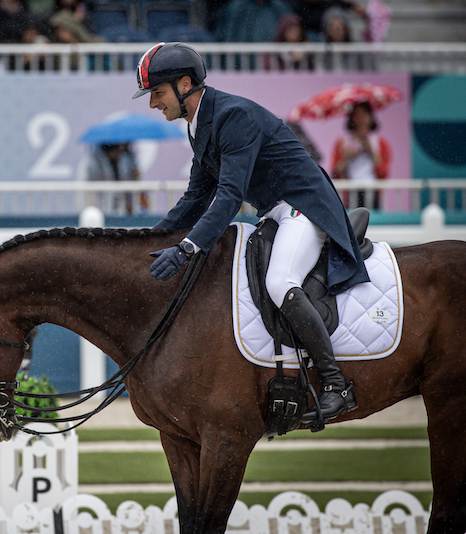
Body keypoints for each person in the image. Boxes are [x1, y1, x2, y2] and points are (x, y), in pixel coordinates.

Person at [133, 42, 367, 424]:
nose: (152, 103)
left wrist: (188, 247)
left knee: (279, 282)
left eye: (156, 93)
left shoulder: (234, 116)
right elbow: (195, 198)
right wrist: (147, 243)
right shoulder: (200, 125)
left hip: (304, 209)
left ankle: (335, 384)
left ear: (185, 84)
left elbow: (229, 196)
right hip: (277, 212)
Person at [329, 102, 391, 209]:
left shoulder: (380, 143)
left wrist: (371, 152)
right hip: (351, 194)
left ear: (371, 117)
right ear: (351, 119)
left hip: (372, 194)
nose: (361, 119)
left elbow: (383, 174)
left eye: (364, 114)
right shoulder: (343, 143)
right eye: (356, 115)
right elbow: (334, 175)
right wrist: (346, 158)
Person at [84, 143, 149, 215]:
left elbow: (129, 178)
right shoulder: (97, 161)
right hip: (104, 203)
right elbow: (92, 182)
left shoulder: (126, 157)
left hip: (122, 201)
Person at [215, 0, 293, 43]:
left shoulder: (280, 7)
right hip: (240, 66)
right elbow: (224, 37)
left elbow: (294, 33)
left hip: (274, 67)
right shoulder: (236, 8)